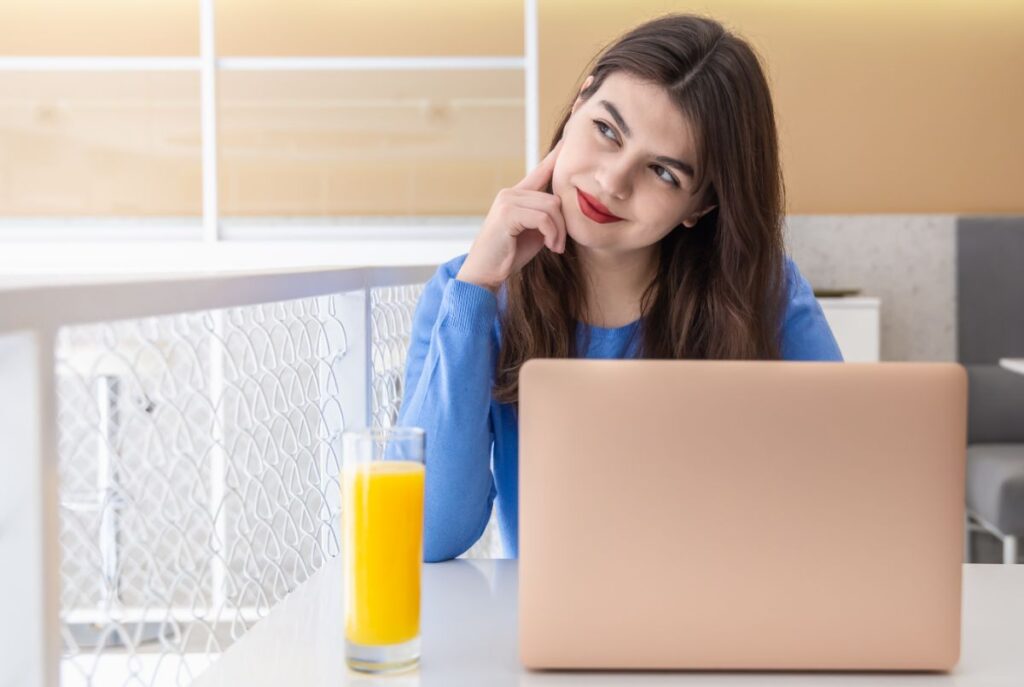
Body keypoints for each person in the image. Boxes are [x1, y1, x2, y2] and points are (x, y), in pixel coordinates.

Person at [397, 13, 843, 562]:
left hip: (723, 620)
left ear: (700, 205)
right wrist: (479, 286)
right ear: (580, 103)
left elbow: (838, 497)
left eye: (663, 173)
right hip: (553, 631)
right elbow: (427, 534)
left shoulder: (763, 291)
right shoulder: (466, 294)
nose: (612, 182)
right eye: (606, 131)